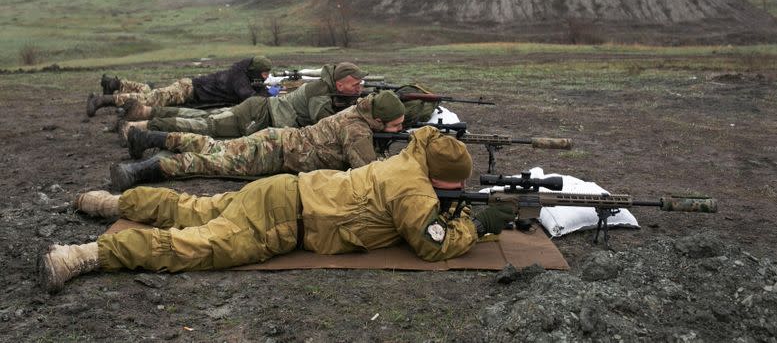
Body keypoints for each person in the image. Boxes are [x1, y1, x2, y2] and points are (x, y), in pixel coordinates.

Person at [39, 127, 517, 293]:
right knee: (193, 245)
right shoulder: (414, 192)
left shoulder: (408, 157)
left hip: (281, 191)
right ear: (439, 178)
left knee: (193, 207)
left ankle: (105, 202)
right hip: (285, 222)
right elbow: (430, 244)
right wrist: (476, 226)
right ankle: (82, 255)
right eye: (455, 186)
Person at [113, 91, 406, 190]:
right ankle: (141, 171)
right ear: (378, 120)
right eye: (396, 125)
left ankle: (146, 136)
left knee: (212, 145)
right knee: (214, 162)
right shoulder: (358, 130)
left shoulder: (359, 109)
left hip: (276, 138)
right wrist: (393, 160)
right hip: (274, 154)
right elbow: (367, 171)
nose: (399, 129)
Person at [116, 62, 367, 140]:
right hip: (257, 116)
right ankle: (141, 127)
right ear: (341, 83)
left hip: (258, 112)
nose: (358, 89)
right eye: (355, 85)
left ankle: (146, 112)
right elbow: (324, 122)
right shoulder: (319, 91)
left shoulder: (327, 89)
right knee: (207, 126)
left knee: (202, 118)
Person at [86, 56, 274, 117]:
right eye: (263, 74)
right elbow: (249, 97)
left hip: (193, 96)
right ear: (255, 71)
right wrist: (270, 96)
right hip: (188, 90)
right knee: (149, 98)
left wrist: (268, 93)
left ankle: (115, 85)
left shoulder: (247, 75)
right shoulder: (239, 76)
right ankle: (102, 100)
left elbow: (256, 90)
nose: (265, 78)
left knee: (149, 97)